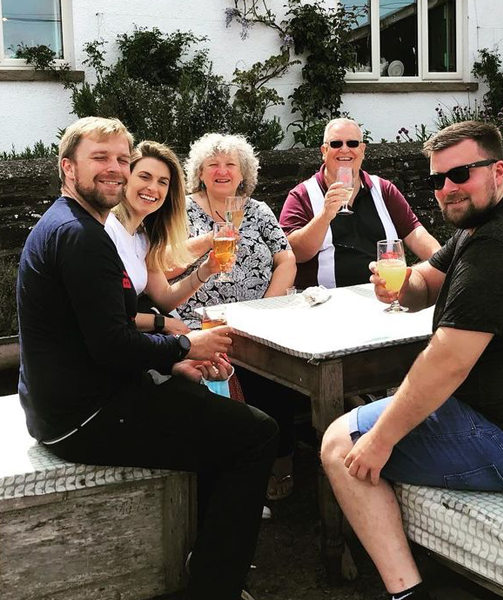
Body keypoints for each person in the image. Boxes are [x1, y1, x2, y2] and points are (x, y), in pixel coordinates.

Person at [320, 121, 503, 600]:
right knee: (389, 413)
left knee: (339, 444)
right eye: (438, 180)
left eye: (461, 174)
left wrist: (381, 441)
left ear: (498, 170)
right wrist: (399, 286)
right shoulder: (489, 221)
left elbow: (448, 361)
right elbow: (424, 282)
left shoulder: (498, 244)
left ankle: (406, 592)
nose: (448, 189)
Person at [17, 116, 277, 600]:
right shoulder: (82, 237)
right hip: (84, 416)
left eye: (120, 158)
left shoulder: (73, 225)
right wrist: (184, 346)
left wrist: (174, 362)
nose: (114, 169)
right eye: (101, 158)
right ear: (67, 167)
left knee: (212, 408)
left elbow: (108, 331)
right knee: (257, 434)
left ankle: (207, 547)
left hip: (73, 401)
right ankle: (215, 585)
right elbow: (113, 345)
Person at [170, 132, 299, 501]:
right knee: (222, 388)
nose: (222, 171)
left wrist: (266, 309)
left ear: (244, 174)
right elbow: (162, 265)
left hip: (257, 323)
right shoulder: (179, 210)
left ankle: (279, 467)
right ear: (200, 172)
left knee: (279, 377)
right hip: (200, 324)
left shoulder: (257, 211)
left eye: (231, 165)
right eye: (213, 164)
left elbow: (285, 258)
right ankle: (230, 481)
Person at [280, 117, 440, 290]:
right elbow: (293, 253)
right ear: (324, 151)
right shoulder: (302, 195)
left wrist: (445, 265)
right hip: (326, 302)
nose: (344, 149)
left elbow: (416, 234)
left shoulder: (383, 190)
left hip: (383, 295)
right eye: (335, 144)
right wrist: (325, 216)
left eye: (352, 143)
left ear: (362, 150)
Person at [103, 140, 212, 337]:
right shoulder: (106, 230)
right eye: (145, 177)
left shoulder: (142, 237)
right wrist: (162, 322)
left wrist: (207, 270)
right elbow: (107, 316)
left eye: (163, 182)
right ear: (126, 178)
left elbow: (165, 297)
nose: (153, 188)